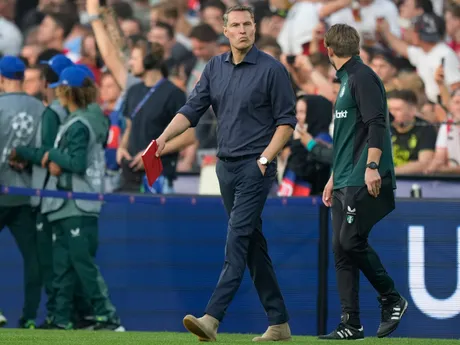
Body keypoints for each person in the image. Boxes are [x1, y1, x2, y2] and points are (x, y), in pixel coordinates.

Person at [155, 5, 296, 342]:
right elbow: (192, 109)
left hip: (255, 168)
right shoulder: (214, 67)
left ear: (255, 27)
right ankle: (279, 322)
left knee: (236, 242)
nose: (243, 30)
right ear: (226, 30)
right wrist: (162, 139)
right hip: (225, 168)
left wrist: (264, 160)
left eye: (248, 24)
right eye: (236, 25)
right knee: (250, 244)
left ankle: (212, 317)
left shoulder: (272, 69)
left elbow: (287, 122)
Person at [319, 24, 408, 340]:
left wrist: (372, 166)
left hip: (362, 175)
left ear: (328, 49)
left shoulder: (361, 77)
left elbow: (376, 124)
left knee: (349, 241)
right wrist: (332, 177)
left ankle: (391, 296)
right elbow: (348, 137)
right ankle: (351, 323)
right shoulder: (346, 80)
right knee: (341, 250)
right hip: (343, 178)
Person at [40, 66, 123, 331]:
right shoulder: (79, 120)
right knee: (63, 265)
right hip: (68, 202)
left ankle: (108, 316)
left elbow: (76, 163)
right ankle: (62, 318)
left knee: (82, 264)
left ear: (66, 91)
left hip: (78, 201)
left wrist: (53, 156)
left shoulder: (79, 124)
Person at [0, 55, 45, 329]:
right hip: (27, 193)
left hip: (0, 191)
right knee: (33, 259)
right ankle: (29, 316)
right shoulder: (40, 108)